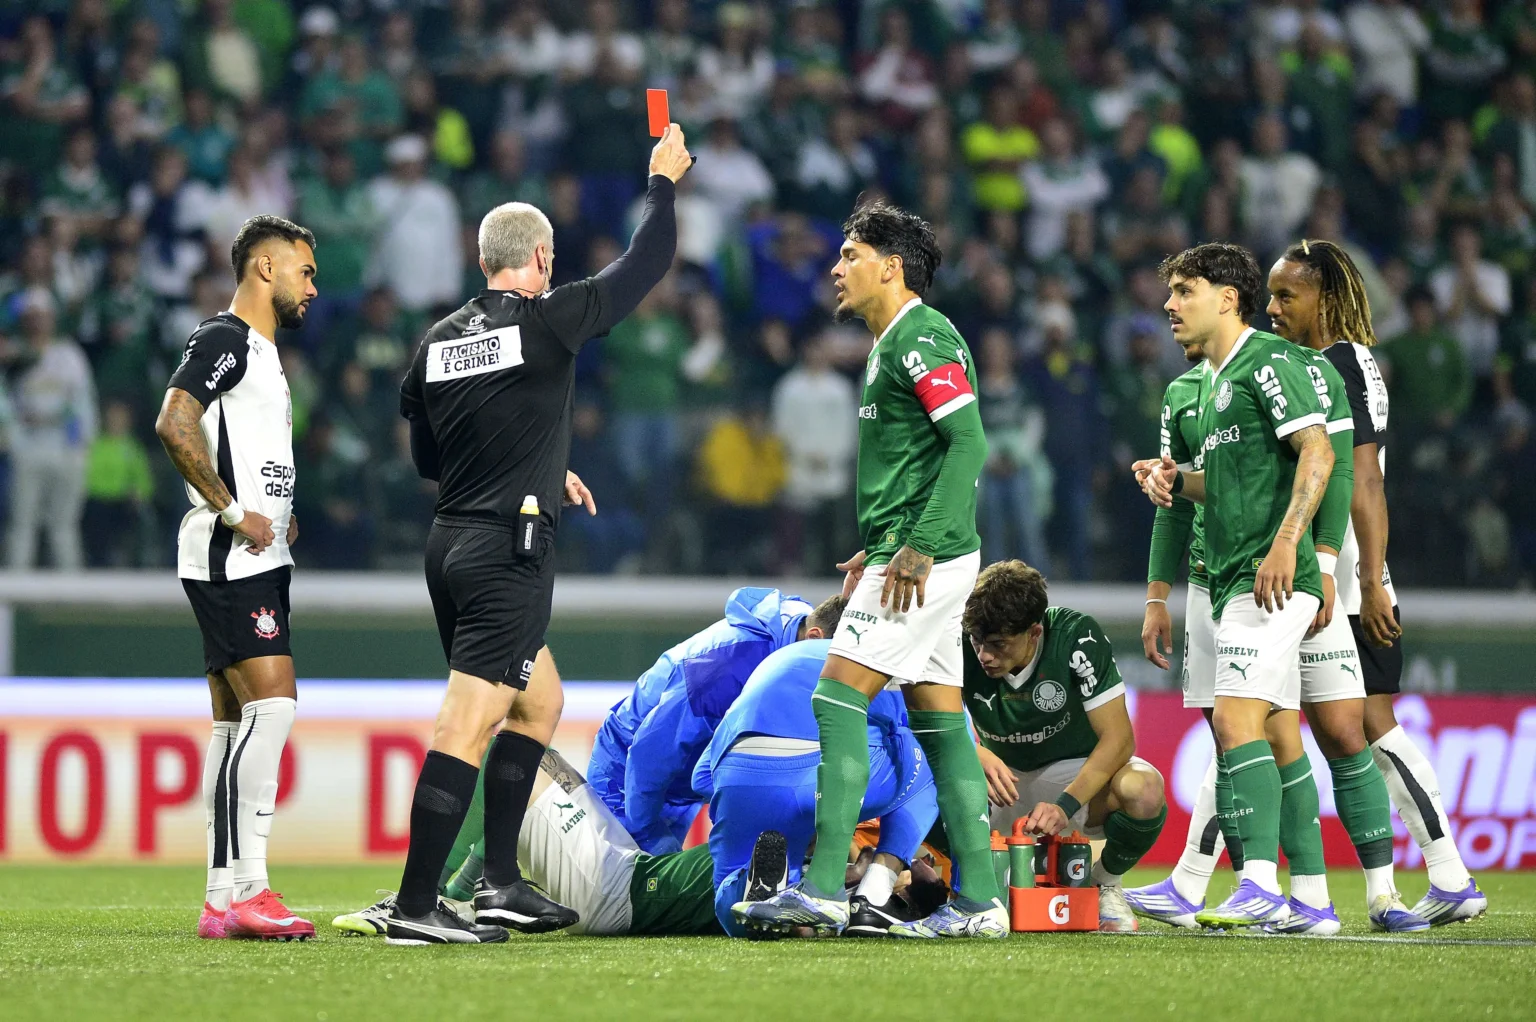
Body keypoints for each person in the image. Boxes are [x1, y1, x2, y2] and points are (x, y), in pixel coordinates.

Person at [385, 123, 693, 946]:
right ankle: (416, 906)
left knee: (539, 701)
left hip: (450, 543)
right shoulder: (549, 321)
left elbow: (430, 456)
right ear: (543, 258)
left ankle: (499, 883)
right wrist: (662, 182)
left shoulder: (438, 342)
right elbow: (647, 263)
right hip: (505, 552)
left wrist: (534, 464)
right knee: (467, 722)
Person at [743, 200, 1005, 940]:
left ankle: (824, 888)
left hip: (923, 562)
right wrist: (888, 538)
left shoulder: (919, 337)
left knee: (836, 701)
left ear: (890, 266)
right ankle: (981, 902)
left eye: (850, 254)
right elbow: (927, 456)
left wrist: (914, 546)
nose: (836, 267)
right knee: (942, 725)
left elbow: (968, 442)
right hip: (920, 552)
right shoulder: (897, 343)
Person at [1136, 243, 1333, 929]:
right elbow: (1214, 486)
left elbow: (1321, 449)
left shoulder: (1269, 362)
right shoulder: (1204, 385)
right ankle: (1310, 898)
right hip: (1220, 580)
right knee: (1275, 731)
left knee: (1233, 722)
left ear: (1227, 298)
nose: (1169, 305)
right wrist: (1171, 481)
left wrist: (1289, 544)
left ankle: (1256, 883)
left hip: (1270, 578)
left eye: (1184, 291)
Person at [1295, 241, 1487, 924]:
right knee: (1347, 728)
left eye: (1290, 296)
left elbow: (1365, 476)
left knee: (1371, 725)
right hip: (1339, 564)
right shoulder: (1348, 361)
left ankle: (1448, 873)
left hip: (1341, 568)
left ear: (1325, 296)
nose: (1276, 309)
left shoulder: (1340, 363)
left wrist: (1370, 580)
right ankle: (1444, 875)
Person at [153, 215, 318, 940]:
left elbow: (242, 447)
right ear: (264, 269)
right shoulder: (224, 339)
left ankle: (221, 898)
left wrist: (278, 513)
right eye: (304, 271)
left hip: (259, 555)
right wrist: (231, 512)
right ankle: (252, 886)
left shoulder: (264, 353)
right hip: (231, 559)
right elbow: (174, 422)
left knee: (232, 721)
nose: (313, 286)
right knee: (273, 708)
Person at [962, 561, 1167, 934]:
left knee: (1145, 789)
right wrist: (971, 749)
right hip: (998, 783)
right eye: (977, 641)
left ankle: (1102, 883)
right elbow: (919, 713)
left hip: (1075, 779)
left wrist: (1065, 805)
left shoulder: (1075, 636)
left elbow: (1119, 739)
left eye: (998, 644)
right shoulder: (958, 638)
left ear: (1035, 632)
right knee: (923, 768)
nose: (984, 656)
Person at [587, 588, 843, 854]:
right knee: (625, 888)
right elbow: (647, 756)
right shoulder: (721, 672)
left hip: (675, 783)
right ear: (815, 638)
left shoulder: (804, 629)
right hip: (626, 777)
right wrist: (647, 833)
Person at [712, 638, 938, 939]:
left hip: (738, 775)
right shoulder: (888, 652)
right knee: (938, 750)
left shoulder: (779, 659)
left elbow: (701, 776)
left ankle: (756, 888)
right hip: (820, 774)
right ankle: (874, 894)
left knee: (730, 899)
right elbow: (944, 742)